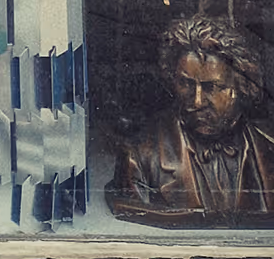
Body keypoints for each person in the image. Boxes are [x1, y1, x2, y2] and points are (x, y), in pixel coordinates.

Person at [107, 13, 274, 224]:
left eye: (211, 87)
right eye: (185, 84)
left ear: (242, 86)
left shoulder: (268, 149)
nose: (196, 102)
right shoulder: (140, 156)